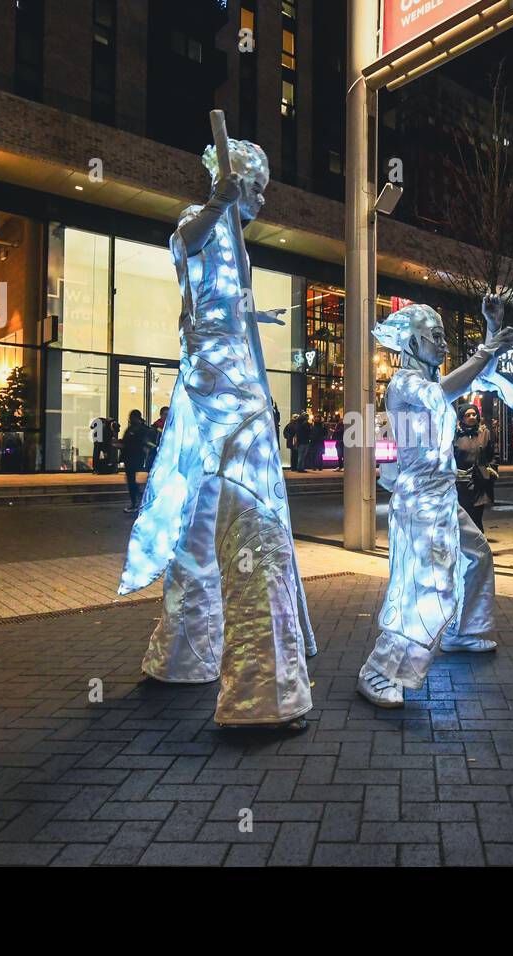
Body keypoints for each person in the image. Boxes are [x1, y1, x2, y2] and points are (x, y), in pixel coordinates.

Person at [117, 129, 314, 729]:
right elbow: (185, 242)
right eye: (256, 185)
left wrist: (255, 312)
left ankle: (184, 654)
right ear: (233, 179)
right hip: (226, 395)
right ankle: (262, 693)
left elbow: (220, 300)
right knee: (256, 523)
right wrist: (217, 203)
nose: (261, 197)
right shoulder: (202, 220)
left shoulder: (235, 240)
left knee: (199, 528)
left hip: (211, 389)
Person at [357, 295, 513, 708]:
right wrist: (488, 347)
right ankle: (379, 671)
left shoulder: (435, 381)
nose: (444, 345)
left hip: (442, 494)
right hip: (419, 500)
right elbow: (446, 389)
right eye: (436, 337)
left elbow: (478, 376)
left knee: (476, 554)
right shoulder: (405, 384)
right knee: (426, 586)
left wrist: (492, 329)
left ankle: (465, 630)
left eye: (444, 337)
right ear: (412, 344)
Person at [454, 403, 498, 532]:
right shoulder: (455, 435)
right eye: (468, 415)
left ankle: (479, 542)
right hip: (461, 484)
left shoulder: (484, 433)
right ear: (462, 418)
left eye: (474, 414)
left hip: (479, 483)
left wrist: (490, 471)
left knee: (476, 518)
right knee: (463, 518)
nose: (472, 417)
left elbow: (493, 454)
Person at [119, 409, 155, 514]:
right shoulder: (137, 428)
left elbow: (133, 443)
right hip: (133, 457)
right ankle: (138, 498)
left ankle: (136, 501)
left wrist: (122, 445)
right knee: (132, 480)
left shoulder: (137, 429)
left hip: (133, 457)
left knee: (131, 481)